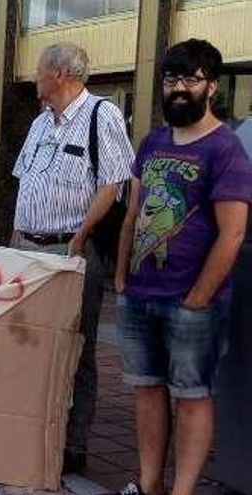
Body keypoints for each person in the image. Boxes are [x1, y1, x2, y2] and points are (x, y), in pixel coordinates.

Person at [113, 39, 252, 495]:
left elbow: (232, 233)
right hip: (140, 295)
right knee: (147, 392)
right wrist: (120, 280)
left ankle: (182, 491)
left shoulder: (226, 148)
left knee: (192, 398)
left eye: (190, 80)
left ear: (211, 87)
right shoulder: (152, 142)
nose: (178, 89)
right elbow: (133, 214)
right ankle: (150, 485)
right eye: (171, 79)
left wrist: (197, 300)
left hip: (193, 303)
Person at [11, 42, 135, 472]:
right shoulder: (40, 122)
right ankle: (32, 431)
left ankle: (73, 444)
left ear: (60, 74)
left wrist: (81, 237)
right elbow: (24, 182)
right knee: (30, 342)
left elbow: (113, 184)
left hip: (70, 249)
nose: (35, 77)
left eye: (40, 70)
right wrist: (14, 242)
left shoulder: (103, 115)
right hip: (28, 248)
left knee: (75, 347)